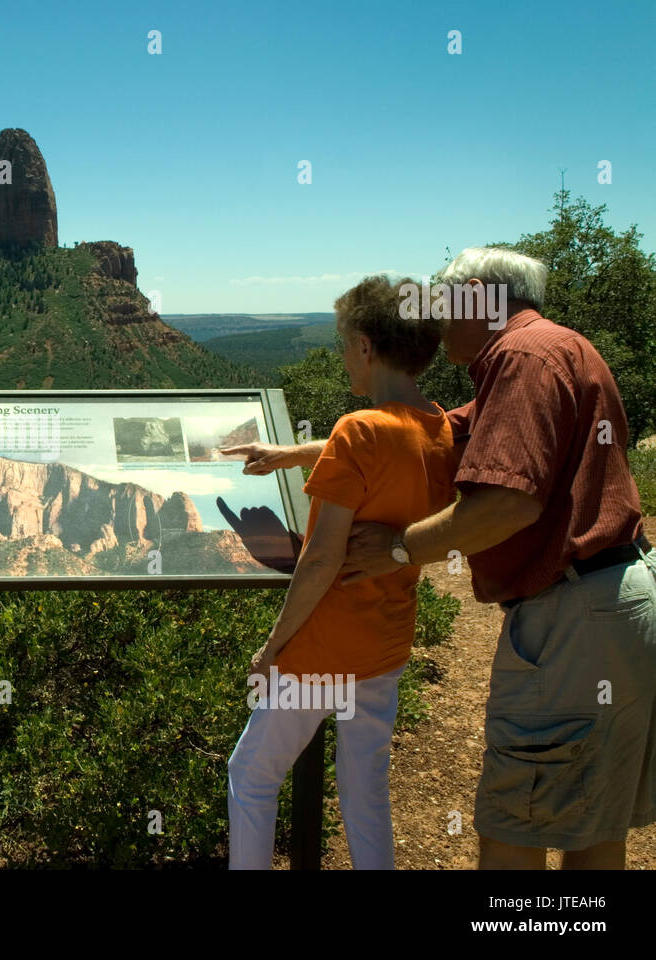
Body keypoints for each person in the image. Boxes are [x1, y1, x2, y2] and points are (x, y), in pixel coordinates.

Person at [331, 247, 655, 869]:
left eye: (443, 300)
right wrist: (306, 452)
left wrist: (398, 550)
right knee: (594, 823)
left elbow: (506, 506)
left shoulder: (521, 357)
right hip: (618, 603)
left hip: (571, 620)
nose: (435, 319)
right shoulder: (553, 348)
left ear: (477, 295)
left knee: (517, 824)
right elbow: (434, 436)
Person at [224, 275, 457, 869]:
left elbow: (322, 558)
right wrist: (290, 453)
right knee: (365, 795)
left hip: (322, 651)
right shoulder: (440, 431)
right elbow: (383, 446)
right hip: (383, 648)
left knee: (251, 777)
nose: (342, 355)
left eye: (342, 341)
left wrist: (274, 646)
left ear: (366, 347)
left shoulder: (359, 429)